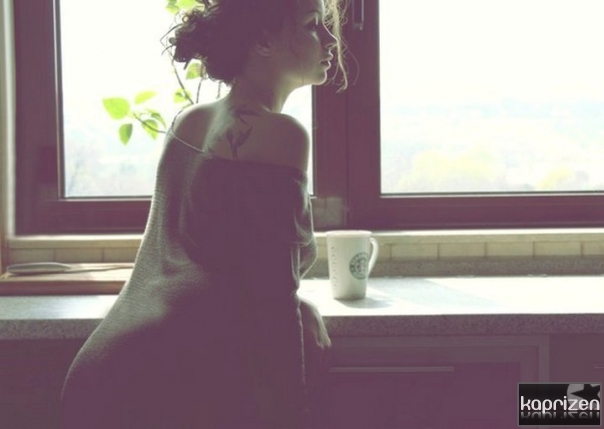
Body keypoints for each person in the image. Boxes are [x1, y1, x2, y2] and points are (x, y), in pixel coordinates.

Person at [60, 0, 347, 427]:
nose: (330, 40)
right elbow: (272, 307)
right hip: (163, 382)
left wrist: (298, 302)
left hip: (109, 365)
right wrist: (292, 415)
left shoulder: (190, 121)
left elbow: (215, 261)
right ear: (263, 41)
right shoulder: (279, 136)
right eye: (311, 25)